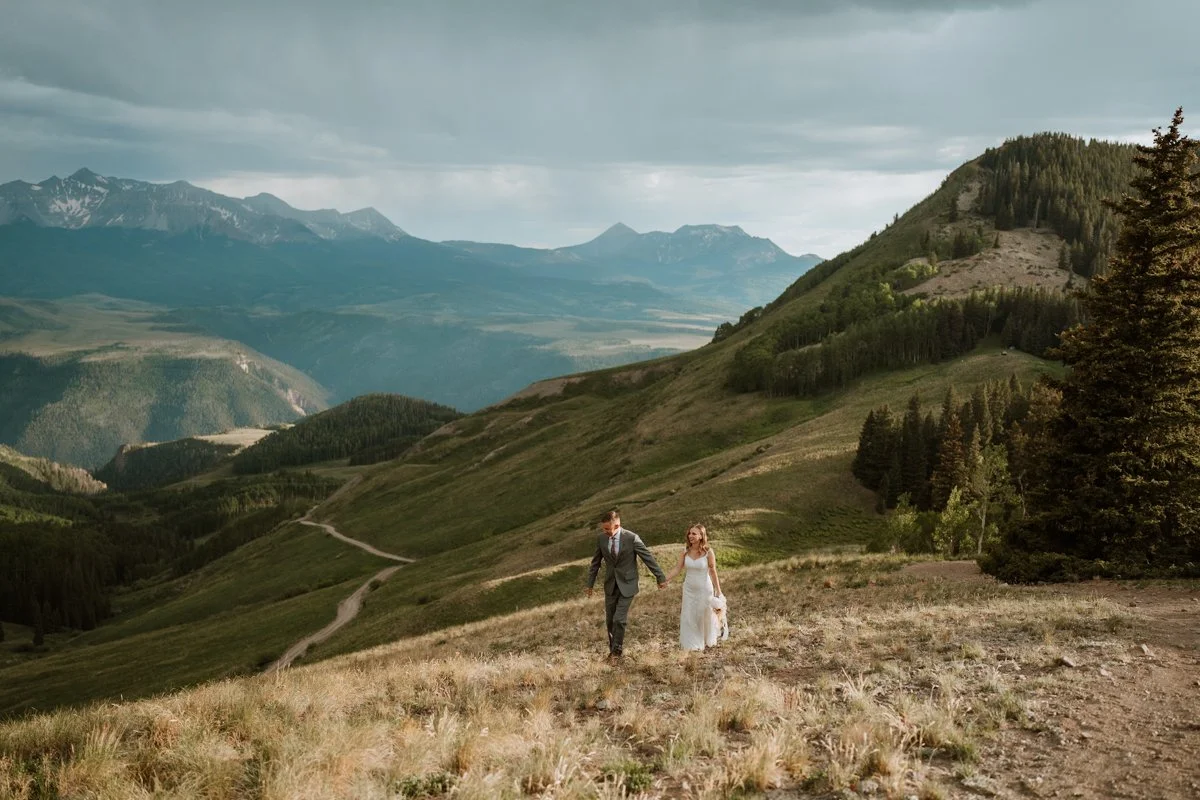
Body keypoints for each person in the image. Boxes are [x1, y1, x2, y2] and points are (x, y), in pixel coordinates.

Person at [586, 509, 667, 662]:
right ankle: (612, 651)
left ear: (617, 525)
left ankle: (617, 652)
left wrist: (660, 577)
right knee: (610, 620)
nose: (606, 532)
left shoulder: (632, 538)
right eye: (604, 529)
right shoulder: (601, 539)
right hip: (610, 585)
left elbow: (647, 557)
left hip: (628, 585)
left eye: (608, 529)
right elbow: (595, 563)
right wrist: (590, 584)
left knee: (619, 619)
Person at [663, 523, 725, 651]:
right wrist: (665, 580)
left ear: (701, 536)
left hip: (705, 589)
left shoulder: (708, 552)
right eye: (689, 533)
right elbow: (677, 568)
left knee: (703, 615)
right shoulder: (685, 552)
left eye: (694, 533)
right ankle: (691, 645)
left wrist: (718, 591)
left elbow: (713, 572)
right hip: (689, 589)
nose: (690, 536)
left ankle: (705, 640)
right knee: (689, 616)